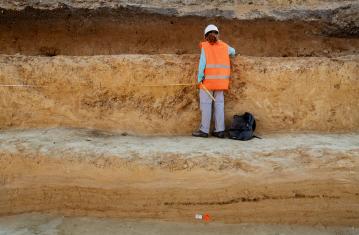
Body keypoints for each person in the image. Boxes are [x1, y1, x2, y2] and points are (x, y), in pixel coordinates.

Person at [192, 24, 236, 138]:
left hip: (208, 83)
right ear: (217, 34)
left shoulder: (205, 47)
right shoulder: (225, 46)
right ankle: (219, 130)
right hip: (221, 83)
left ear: (205, 36)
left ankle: (204, 130)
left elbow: (202, 65)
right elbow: (233, 52)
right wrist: (221, 43)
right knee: (219, 105)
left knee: (206, 105)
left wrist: (199, 79)